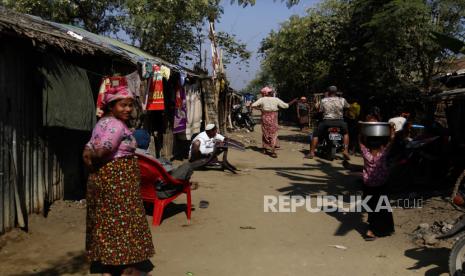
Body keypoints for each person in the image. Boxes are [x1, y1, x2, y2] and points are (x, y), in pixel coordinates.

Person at [82, 86, 155, 276]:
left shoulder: (102, 123)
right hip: (118, 179)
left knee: (106, 220)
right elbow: (104, 148)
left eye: (130, 105)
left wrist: (89, 158)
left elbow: (90, 146)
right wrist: (94, 156)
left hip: (105, 177)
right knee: (123, 221)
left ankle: (108, 265)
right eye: (123, 105)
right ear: (111, 106)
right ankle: (124, 267)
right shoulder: (115, 125)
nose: (128, 109)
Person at [359, 121, 396, 241]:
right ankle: (373, 230)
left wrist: (362, 128)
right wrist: (391, 128)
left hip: (368, 185)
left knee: (372, 206)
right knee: (382, 207)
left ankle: (375, 228)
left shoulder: (366, 154)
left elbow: (360, 140)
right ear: (381, 145)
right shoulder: (383, 154)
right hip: (382, 185)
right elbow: (391, 140)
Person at [251, 86, 298, 158]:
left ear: (264, 93)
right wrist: (294, 101)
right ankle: (273, 151)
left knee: (265, 132)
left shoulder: (262, 99)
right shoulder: (276, 99)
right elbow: (286, 106)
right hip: (274, 118)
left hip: (265, 117)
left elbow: (253, 105)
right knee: (273, 133)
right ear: (270, 93)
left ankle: (265, 148)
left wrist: (260, 108)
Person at [307, 86, 350, 160]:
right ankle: (345, 151)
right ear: (336, 92)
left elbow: (320, 111)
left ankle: (312, 152)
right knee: (345, 133)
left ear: (328, 92)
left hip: (326, 121)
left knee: (315, 134)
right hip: (339, 121)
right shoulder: (342, 100)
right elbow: (348, 107)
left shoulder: (323, 100)